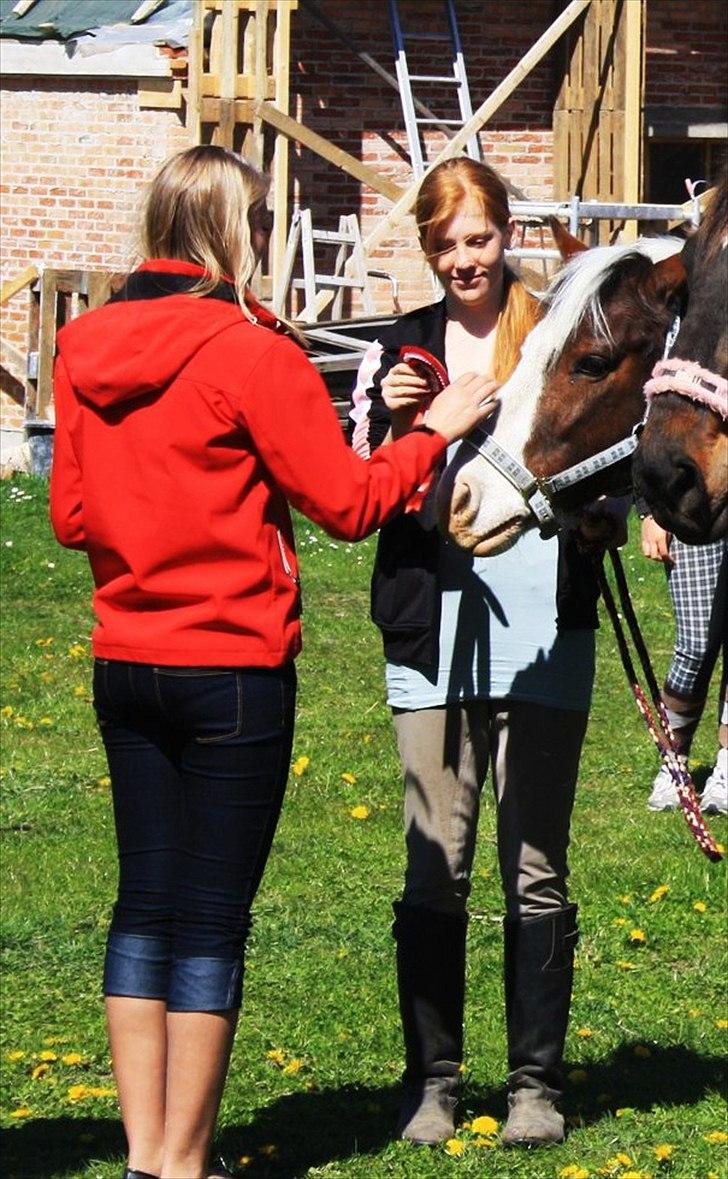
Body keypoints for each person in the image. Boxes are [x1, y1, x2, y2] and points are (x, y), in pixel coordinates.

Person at [49, 145, 496, 1179]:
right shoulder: (251, 350)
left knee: (140, 904)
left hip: (126, 654)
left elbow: (70, 515)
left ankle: (144, 1154)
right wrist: (428, 432)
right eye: (257, 221)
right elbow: (345, 502)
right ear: (230, 230)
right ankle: (180, 1156)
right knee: (208, 919)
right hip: (232, 666)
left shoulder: (82, 345)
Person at [349, 157, 627, 1149]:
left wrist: (601, 515)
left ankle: (532, 1088)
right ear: (426, 251)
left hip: (545, 628)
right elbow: (359, 491)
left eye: (478, 238)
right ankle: (431, 1083)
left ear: (505, 231)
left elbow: (608, 447)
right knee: (436, 868)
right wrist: (398, 421)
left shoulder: (556, 332)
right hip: (432, 635)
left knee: (535, 867)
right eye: (445, 244)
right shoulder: (402, 350)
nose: (465, 259)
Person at [640, 517, 727, 814]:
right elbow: (643, 466)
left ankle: (726, 768)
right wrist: (651, 512)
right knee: (695, 646)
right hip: (692, 510)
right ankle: (674, 767)